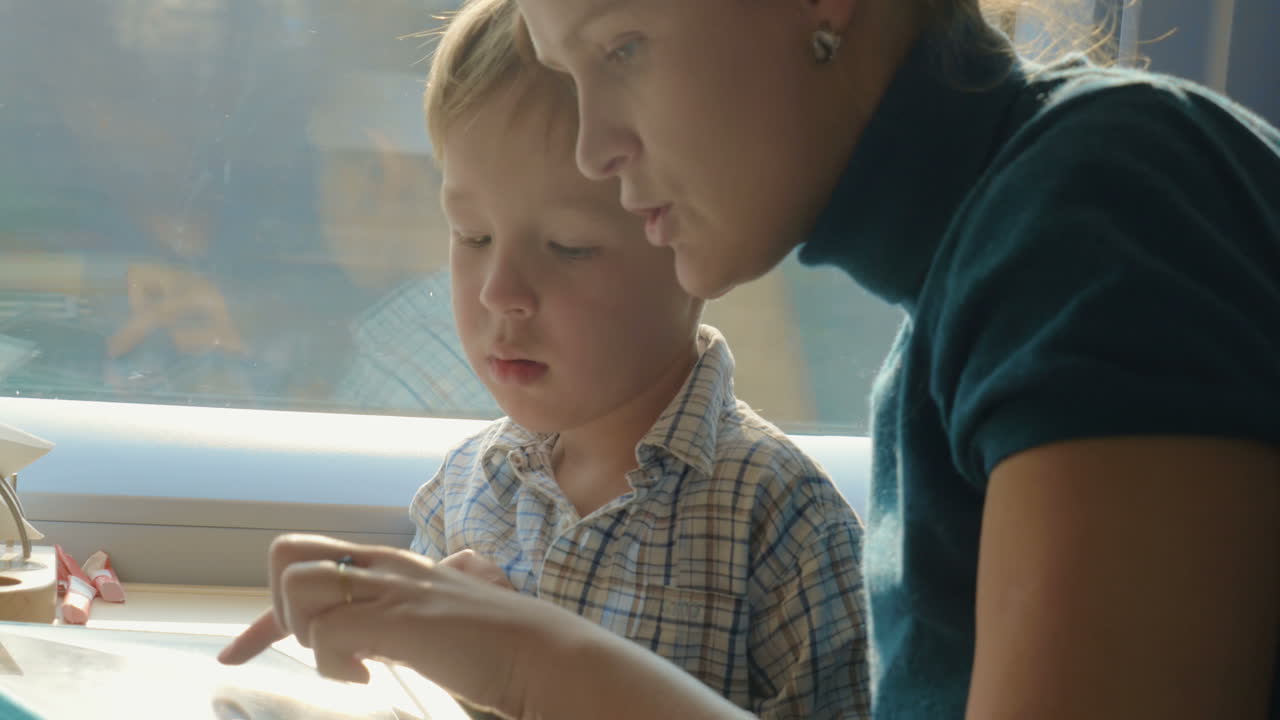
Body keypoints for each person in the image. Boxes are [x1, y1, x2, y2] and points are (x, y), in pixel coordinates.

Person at [224, 0, 1280, 718]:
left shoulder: (1105, 202)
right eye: (565, 73)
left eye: (619, 47)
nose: (593, 145)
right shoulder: (958, 302)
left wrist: (530, 661)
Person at [226, 1, 870, 717]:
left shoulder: (782, 527)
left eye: (568, 247)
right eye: (471, 237)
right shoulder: (463, 495)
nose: (501, 292)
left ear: (688, 238)